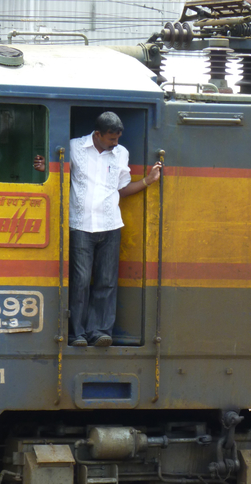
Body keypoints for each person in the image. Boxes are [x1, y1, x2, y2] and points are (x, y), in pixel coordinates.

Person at [34, 111, 161, 347]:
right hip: (80, 225)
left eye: (118, 138)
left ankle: (100, 331)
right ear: (98, 134)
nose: (116, 143)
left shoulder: (121, 153)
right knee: (80, 281)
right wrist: (44, 168)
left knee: (107, 281)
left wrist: (148, 180)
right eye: (111, 138)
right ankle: (77, 333)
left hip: (111, 225)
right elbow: (59, 173)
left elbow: (122, 189)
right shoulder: (74, 147)